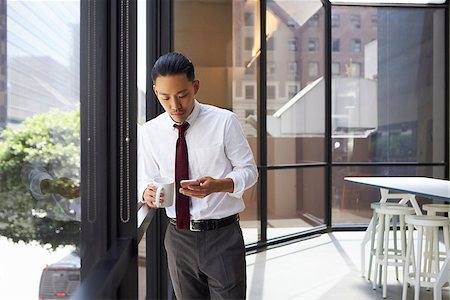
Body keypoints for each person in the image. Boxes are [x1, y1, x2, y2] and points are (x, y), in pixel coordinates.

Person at [138, 52, 258, 299]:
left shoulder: (224, 121)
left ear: (195, 86)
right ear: (155, 92)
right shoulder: (149, 132)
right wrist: (146, 192)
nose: (175, 105)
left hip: (222, 236)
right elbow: (145, 177)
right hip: (177, 237)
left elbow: (249, 171)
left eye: (182, 95)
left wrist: (219, 186)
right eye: (165, 97)